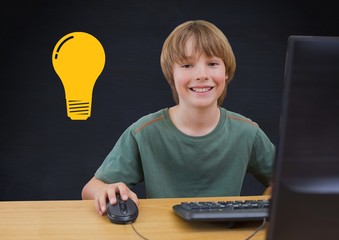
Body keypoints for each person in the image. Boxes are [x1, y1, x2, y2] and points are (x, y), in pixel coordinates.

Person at [82, 20, 276, 216]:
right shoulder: (144, 132)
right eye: (187, 65)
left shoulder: (248, 132)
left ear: (226, 72)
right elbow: (91, 188)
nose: (201, 74)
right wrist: (104, 191)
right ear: (171, 74)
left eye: (212, 63)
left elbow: (282, 183)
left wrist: (263, 204)